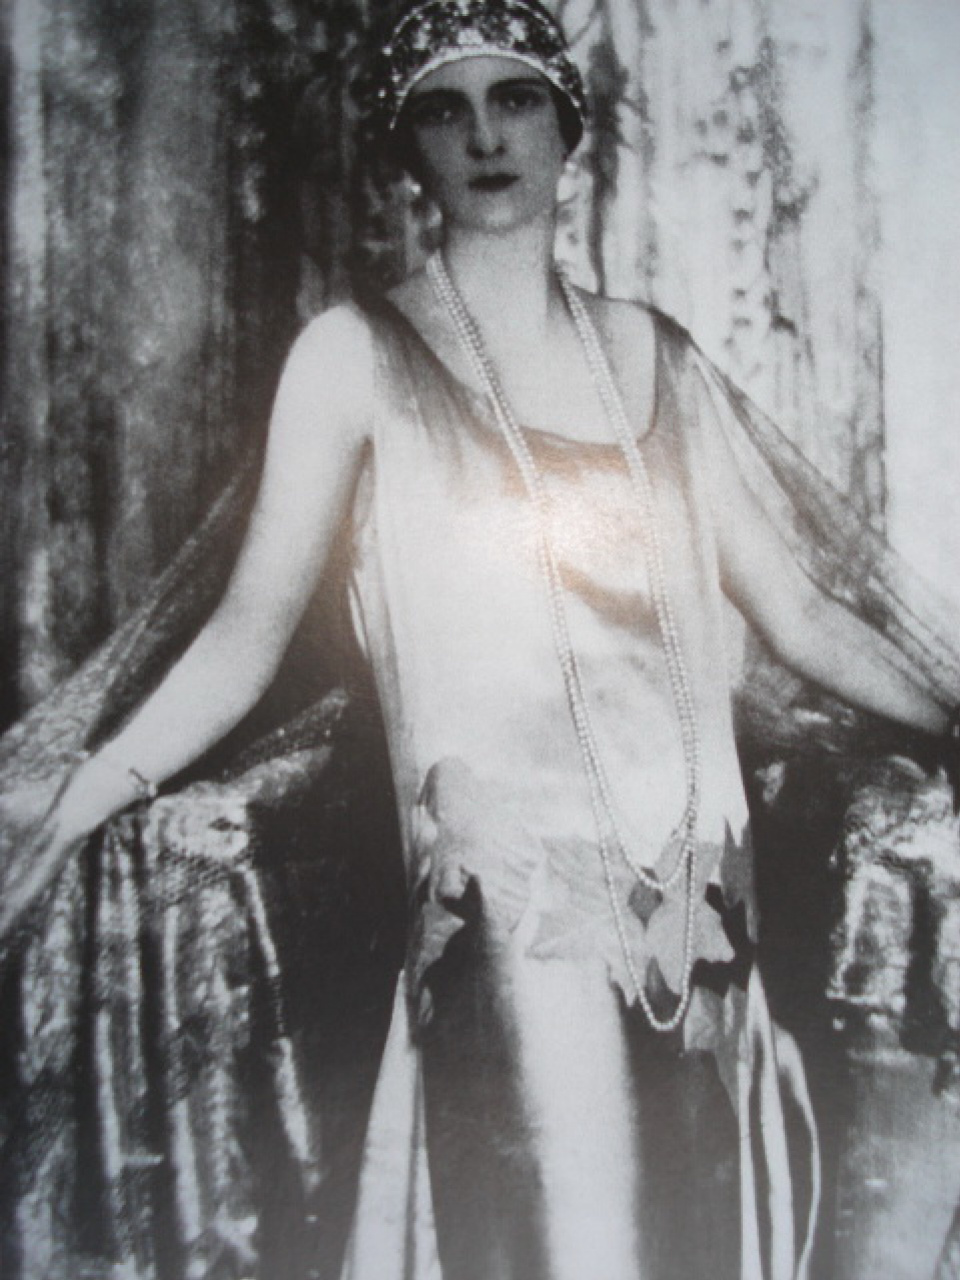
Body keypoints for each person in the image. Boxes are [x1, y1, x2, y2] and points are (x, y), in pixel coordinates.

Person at [1, 2, 958, 1278]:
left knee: (698, 1222)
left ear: (569, 131)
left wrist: (954, 715)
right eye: (446, 110)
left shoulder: (655, 355)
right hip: (506, 894)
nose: (486, 136)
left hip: (697, 882)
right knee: (559, 1223)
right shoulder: (352, 356)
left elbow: (802, 614)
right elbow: (245, 632)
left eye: (516, 100)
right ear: (409, 149)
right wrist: (84, 792)